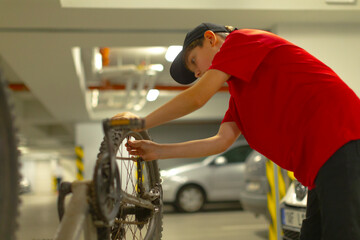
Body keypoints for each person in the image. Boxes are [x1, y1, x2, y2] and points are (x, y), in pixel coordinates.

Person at [113, 23, 360, 239]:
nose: (197, 73)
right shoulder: (240, 95)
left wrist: (140, 123)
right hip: (321, 163)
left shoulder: (242, 41)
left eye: (194, 62)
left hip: (342, 139)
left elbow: (198, 98)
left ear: (211, 38)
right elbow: (220, 142)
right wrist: (158, 151)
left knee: (343, 233)